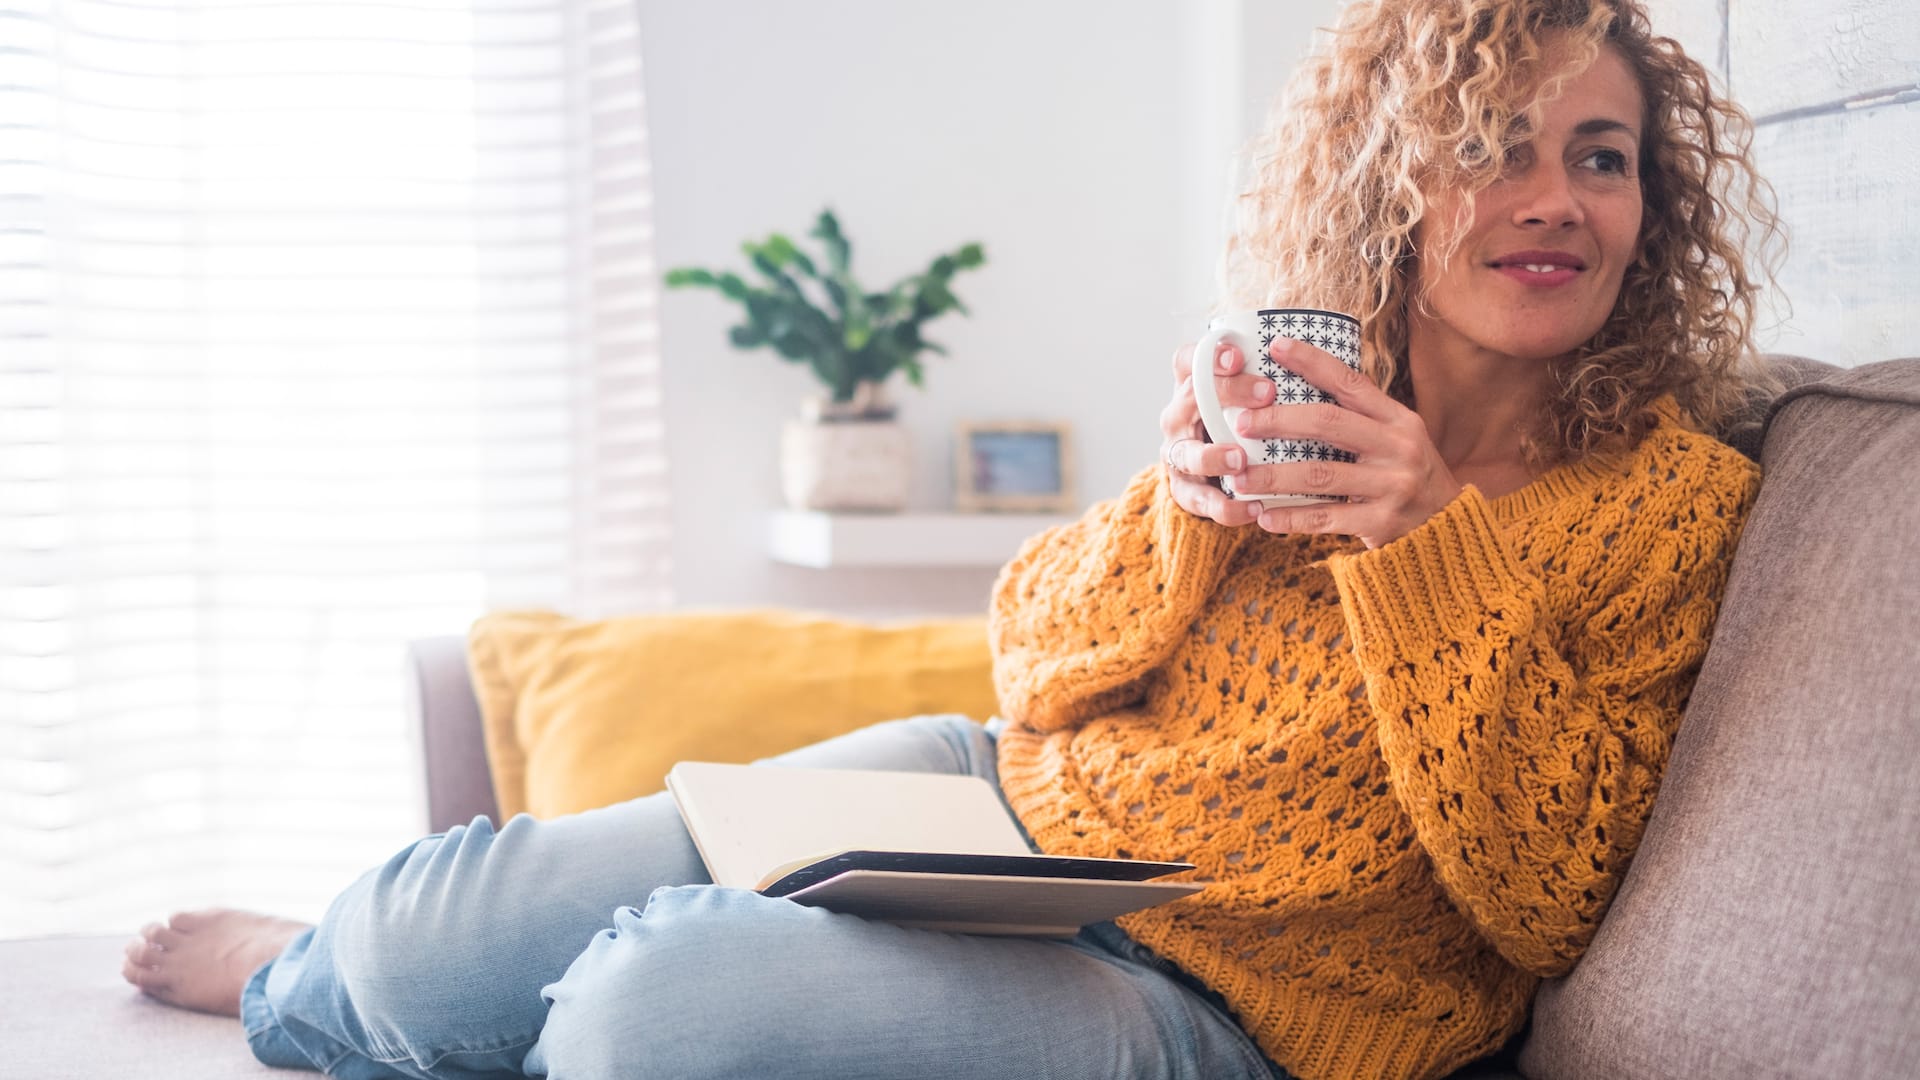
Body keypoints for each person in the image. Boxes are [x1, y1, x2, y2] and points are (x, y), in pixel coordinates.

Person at [121, 1, 1781, 1077]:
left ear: (1652, 210)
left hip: (1225, 1003)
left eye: (1603, 159)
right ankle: (307, 978)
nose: (1555, 198)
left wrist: (1424, 544)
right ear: (1393, 190)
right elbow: (1038, 662)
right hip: (993, 804)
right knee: (424, 929)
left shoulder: (1675, 504)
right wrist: (1177, 505)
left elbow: (1555, 897)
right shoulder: (1299, 391)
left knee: (656, 1002)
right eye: (1493, 148)